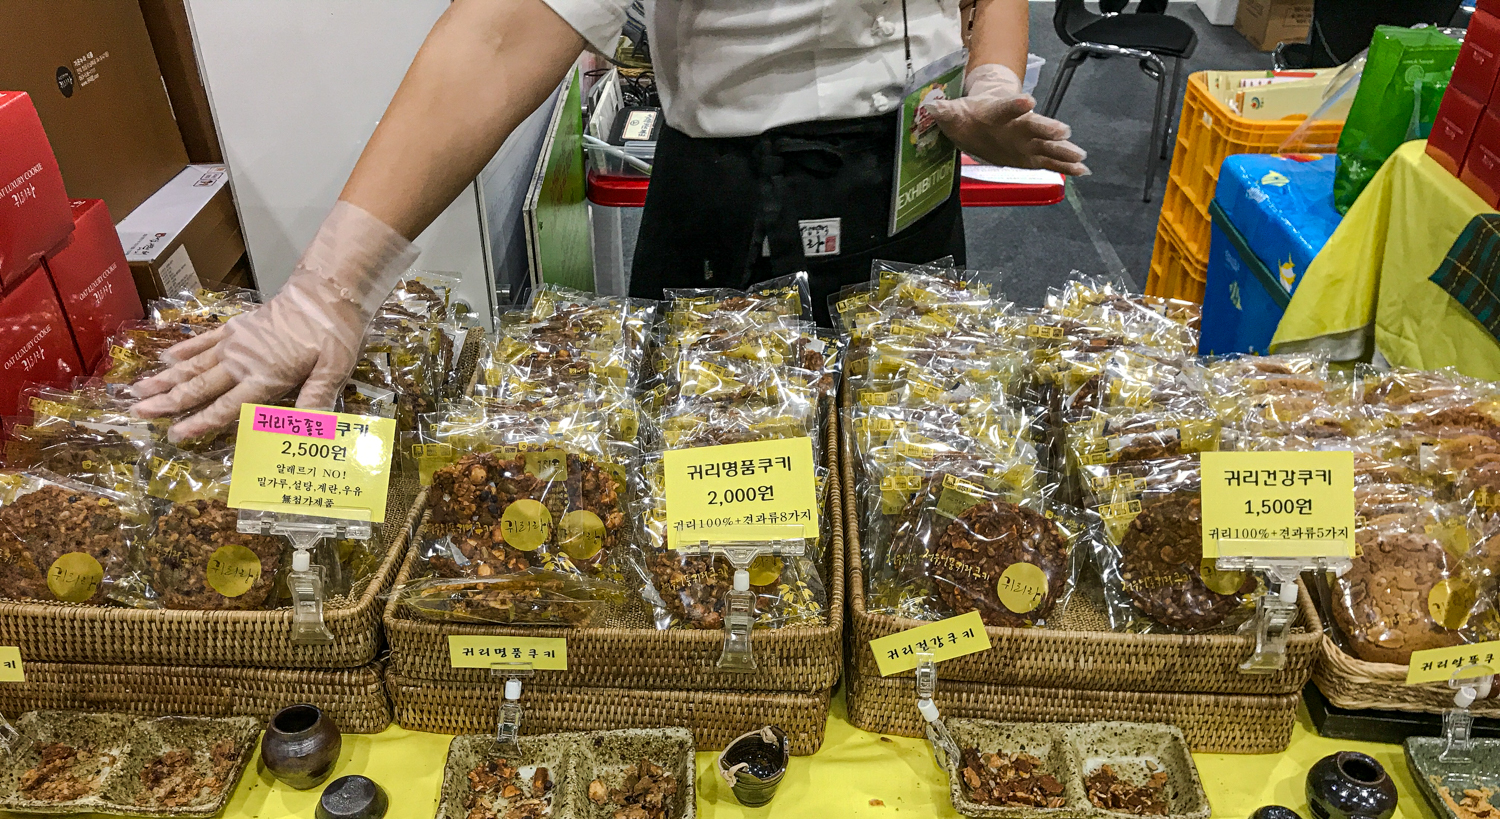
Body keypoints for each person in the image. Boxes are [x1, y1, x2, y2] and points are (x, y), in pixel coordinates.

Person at [131, 0, 1087, 441]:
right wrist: (332, 284)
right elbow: (502, 29)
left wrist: (991, 77)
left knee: (921, 471)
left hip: (916, 175)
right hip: (737, 203)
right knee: (717, 504)